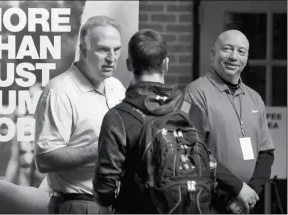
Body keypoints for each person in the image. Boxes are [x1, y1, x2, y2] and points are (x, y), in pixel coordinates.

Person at [93, 29, 212, 213]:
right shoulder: (193, 111)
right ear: (166, 64)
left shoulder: (118, 117)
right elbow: (210, 166)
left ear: (129, 64)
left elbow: (105, 187)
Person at [34, 15, 126, 214]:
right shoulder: (60, 91)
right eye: (103, 49)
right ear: (83, 50)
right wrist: (104, 148)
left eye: (116, 49)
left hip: (116, 204)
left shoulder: (116, 87)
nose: (112, 57)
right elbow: (45, 159)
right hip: (79, 204)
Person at [183, 29, 275, 213]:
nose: (234, 57)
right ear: (213, 53)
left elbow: (266, 153)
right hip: (210, 203)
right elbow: (193, 151)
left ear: (247, 57)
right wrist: (238, 189)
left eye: (241, 51)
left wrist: (250, 193)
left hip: (245, 203)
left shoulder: (254, 98)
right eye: (227, 49)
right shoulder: (194, 93)